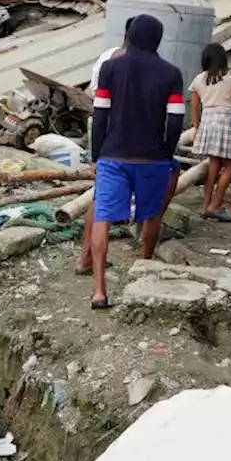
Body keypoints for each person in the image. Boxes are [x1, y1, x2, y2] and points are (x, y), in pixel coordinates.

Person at [89, 15, 186, 309]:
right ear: (158, 39)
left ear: (130, 35)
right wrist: (166, 152)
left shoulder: (110, 68)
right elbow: (176, 119)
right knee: (152, 214)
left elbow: (100, 115)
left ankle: (99, 291)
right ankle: (144, 266)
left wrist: (96, 155)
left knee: (102, 217)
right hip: (152, 157)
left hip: (113, 154)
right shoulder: (171, 73)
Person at [78, 19, 135, 276]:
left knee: (101, 198)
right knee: (103, 200)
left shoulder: (107, 56)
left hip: (104, 130)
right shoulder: (128, 62)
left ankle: (88, 258)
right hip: (119, 135)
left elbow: (93, 94)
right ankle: (86, 260)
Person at [190, 43, 231, 223]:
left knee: (213, 164)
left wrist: (197, 125)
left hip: (207, 120)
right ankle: (216, 204)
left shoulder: (200, 78)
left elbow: (193, 105)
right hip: (224, 121)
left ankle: (205, 205)